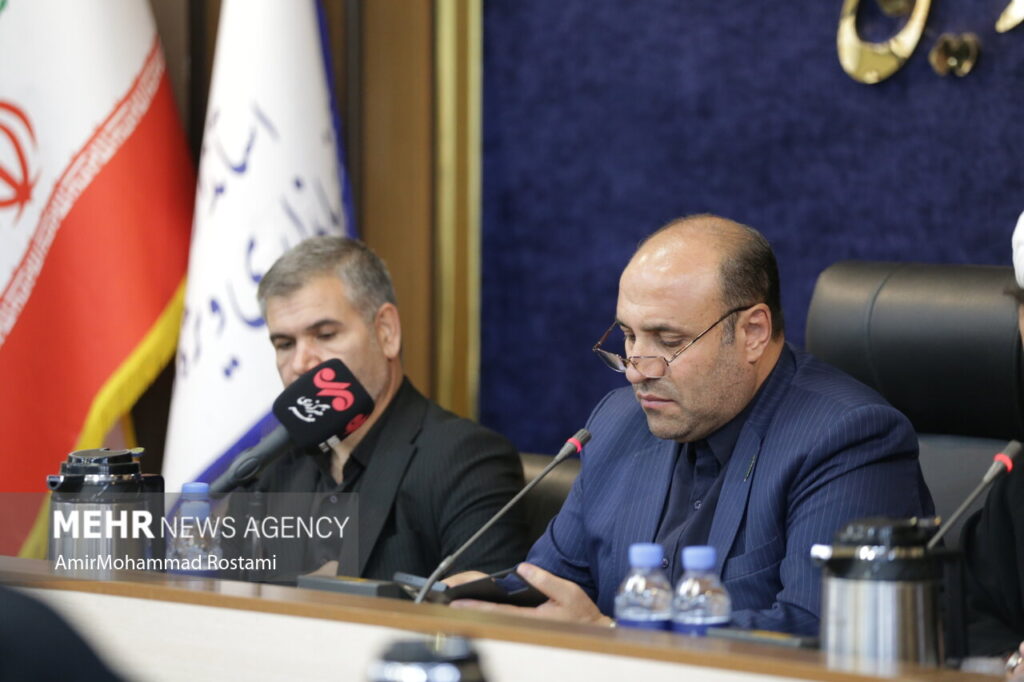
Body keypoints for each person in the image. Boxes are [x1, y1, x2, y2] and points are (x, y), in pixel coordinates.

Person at [449, 214, 933, 635]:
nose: (636, 370)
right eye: (628, 335)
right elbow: (555, 585)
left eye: (667, 341)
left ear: (753, 332)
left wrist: (613, 636)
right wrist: (480, 599)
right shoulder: (617, 422)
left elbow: (818, 633)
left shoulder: (849, 438)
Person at [239, 236, 528, 581]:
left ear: (386, 332)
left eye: (326, 335)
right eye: (285, 344)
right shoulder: (273, 466)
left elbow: (484, 608)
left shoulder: (468, 460)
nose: (301, 363)